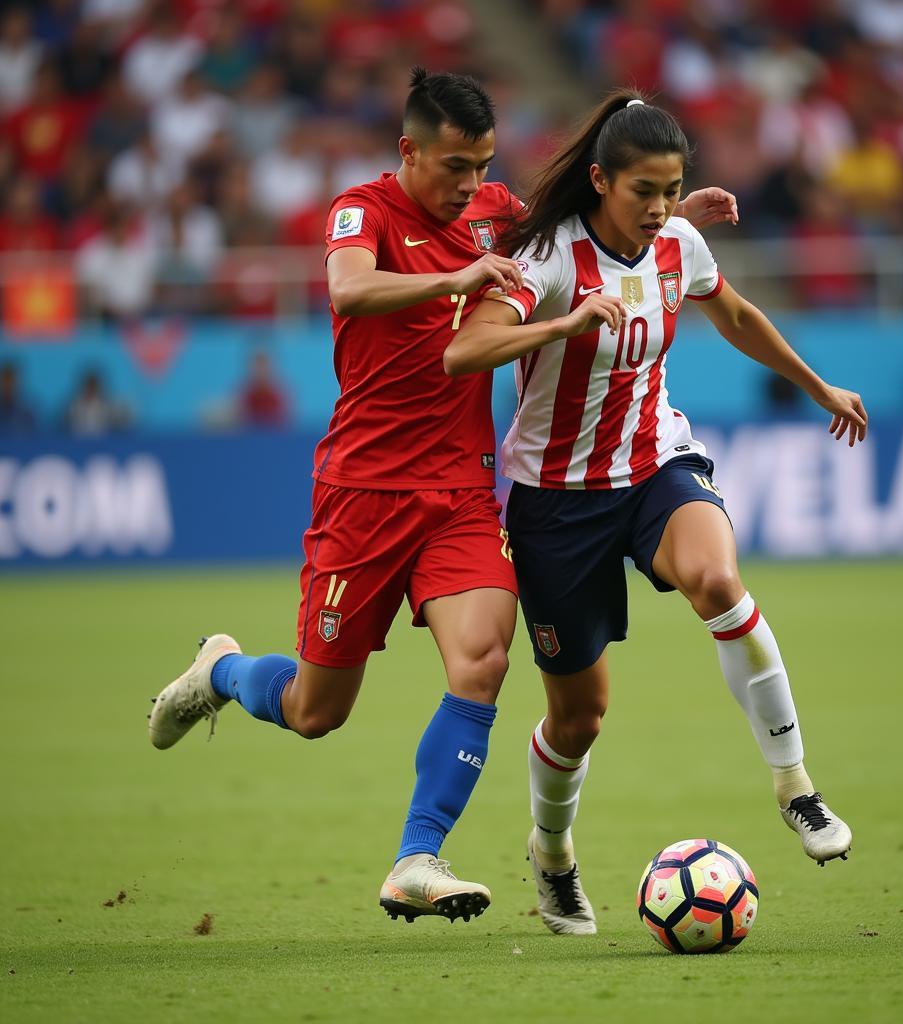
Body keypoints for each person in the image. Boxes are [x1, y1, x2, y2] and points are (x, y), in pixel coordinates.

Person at [149, 69, 738, 925]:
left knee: (486, 659)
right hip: (361, 491)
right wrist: (454, 283)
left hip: (462, 489)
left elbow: (591, 233)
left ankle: (416, 857)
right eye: (454, 167)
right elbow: (351, 288)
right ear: (409, 152)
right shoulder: (363, 211)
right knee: (318, 712)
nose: (469, 186)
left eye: (481, 166)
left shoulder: (495, 213)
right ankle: (222, 670)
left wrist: (673, 218)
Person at [444, 92, 866, 937]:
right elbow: (464, 350)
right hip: (556, 503)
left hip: (654, 465)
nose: (661, 208)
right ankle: (553, 854)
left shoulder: (679, 243)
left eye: (673, 189)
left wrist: (816, 384)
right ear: (600, 181)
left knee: (717, 578)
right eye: (645, 191)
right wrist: (561, 323)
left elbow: (736, 313)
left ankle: (796, 786)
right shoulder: (550, 256)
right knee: (579, 715)